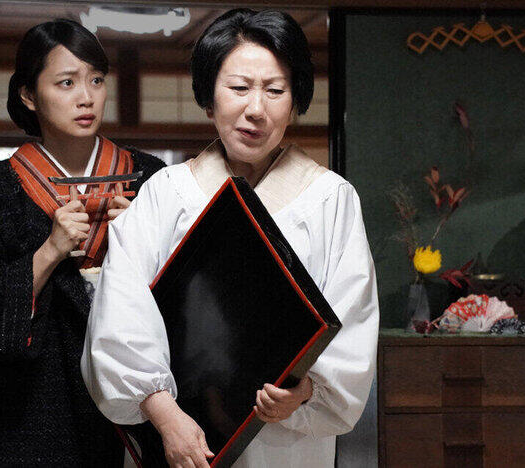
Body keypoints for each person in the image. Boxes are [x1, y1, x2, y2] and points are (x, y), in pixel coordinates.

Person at [82, 9, 379, 468]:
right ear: (209, 98)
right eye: (239, 88)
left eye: (275, 90)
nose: (256, 109)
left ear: (295, 101)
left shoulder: (329, 199)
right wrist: (165, 417)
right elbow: (120, 312)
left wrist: (305, 391)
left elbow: (352, 320)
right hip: (177, 436)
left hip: (288, 441)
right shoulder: (167, 193)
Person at [0, 19, 165, 466]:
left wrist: (144, 243)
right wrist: (49, 251)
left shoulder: (151, 178)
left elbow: (188, 297)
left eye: (96, 80)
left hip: (136, 404)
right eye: (66, 83)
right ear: (28, 95)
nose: (87, 97)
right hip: (23, 415)